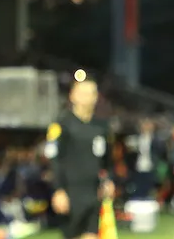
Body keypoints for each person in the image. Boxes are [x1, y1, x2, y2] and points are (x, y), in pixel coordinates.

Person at [46, 77, 113, 239]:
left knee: (92, 235)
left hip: (93, 191)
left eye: (91, 93)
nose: (86, 97)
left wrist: (108, 180)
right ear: (72, 96)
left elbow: (106, 159)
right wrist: (58, 190)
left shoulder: (101, 126)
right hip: (70, 192)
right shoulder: (62, 123)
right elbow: (54, 159)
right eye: (82, 93)